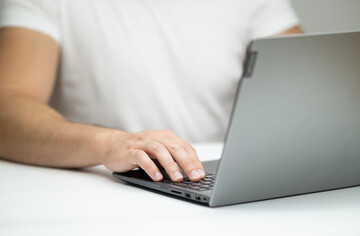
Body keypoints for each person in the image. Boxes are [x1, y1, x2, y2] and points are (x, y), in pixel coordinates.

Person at [0, 0, 302, 183]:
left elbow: (310, 85)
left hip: (220, 185)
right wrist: (110, 143)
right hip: (105, 187)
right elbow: (7, 107)